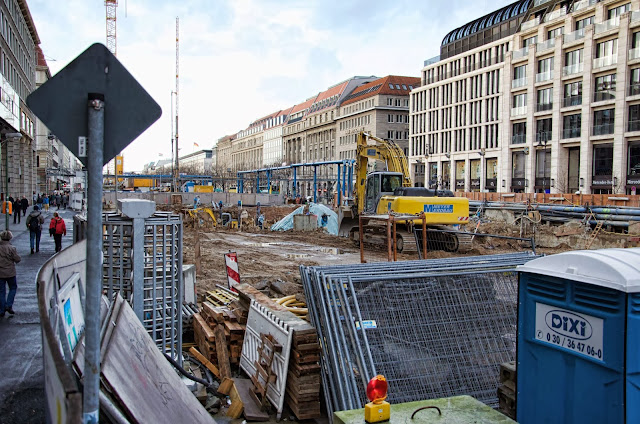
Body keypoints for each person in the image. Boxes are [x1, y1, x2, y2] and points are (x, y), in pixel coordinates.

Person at [0, 230, 21, 317]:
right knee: (13, 288)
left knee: (1, 291)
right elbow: (18, 259)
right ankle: (9, 305)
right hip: (10, 272)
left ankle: (2, 309)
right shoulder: (12, 248)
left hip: (0, 272)